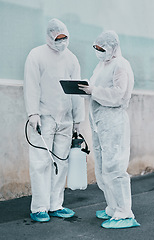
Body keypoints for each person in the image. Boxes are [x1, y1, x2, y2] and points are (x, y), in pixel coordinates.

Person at [23, 18, 84, 222]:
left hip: (65, 119)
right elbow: (31, 85)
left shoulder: (72, 59)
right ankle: (39, 207)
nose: (62, 41)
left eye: (64, 37)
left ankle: (55, 204)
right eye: (58, 37)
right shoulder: (36, 55)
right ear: (49, 36)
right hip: (44, 118)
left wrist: (78, 118)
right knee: (41, 163)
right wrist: (33, 113)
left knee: (61, 162)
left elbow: (77, 91)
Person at [79, 30, 140, 229]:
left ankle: (124, 213)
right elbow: (95, 88)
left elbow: (119, 95)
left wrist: (94, 91)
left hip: (113, 123)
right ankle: (113, 207)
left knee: (115, 168)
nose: (98, 51)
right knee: (103, 168)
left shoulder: (121, 65)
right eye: (96, 48)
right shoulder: (101, 65)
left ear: (112, 47)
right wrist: (86, 89)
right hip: (99, 124)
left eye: (102, 48)